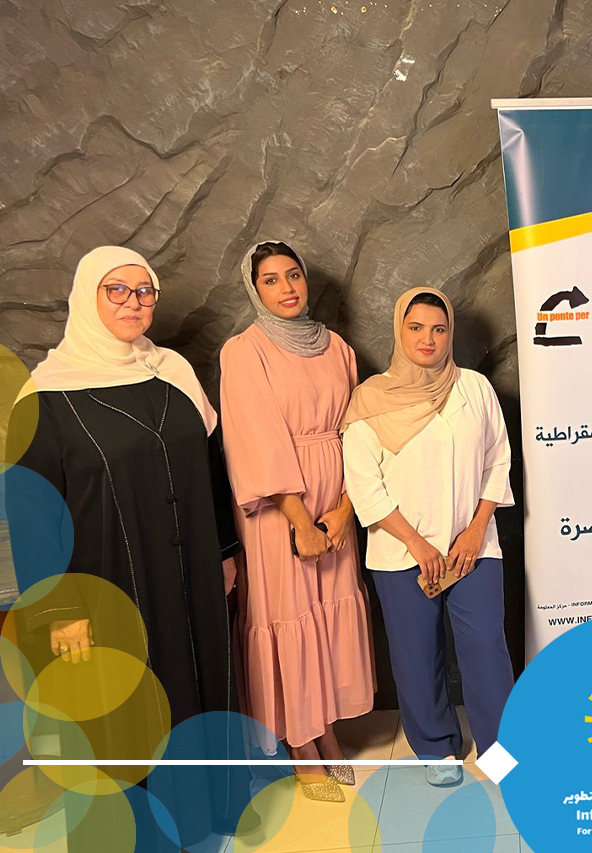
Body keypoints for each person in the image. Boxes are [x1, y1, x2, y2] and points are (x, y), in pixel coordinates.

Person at [9, 246, 248, 849]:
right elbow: (32, 512)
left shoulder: (173, 372)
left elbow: (212, 468)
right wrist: (59, 609)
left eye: (144, 291)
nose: (133, 303)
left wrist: (225, 552)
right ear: (86, 297)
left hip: (189, 569)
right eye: (116, 290)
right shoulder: (45, 396)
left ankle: (205, 813)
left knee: (197, 681)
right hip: (106, 581)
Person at [219, 240, 375, 802]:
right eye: (270, 279)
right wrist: (301, 521)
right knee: (287, 613)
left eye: (293, 275)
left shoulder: (338, 347)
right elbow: (254, 438)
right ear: (254, 288)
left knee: (327, 611)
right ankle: (300, 744)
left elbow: (359, 430)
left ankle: (325, 728)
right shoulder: (244, 351)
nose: (286, 288)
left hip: (336, 500)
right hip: (279, 507)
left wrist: (345, 509)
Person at [341, 286, 515, 786]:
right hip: (402, 552)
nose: (428, 339)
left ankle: (500, 748)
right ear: (399, 330)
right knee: (416, 654)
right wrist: (417, 545)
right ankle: (436, 747)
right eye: (416, 327)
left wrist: (475, 530)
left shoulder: (474, 388)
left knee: (486, 646)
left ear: (450, 334)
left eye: (439, 329)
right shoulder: (371, 399)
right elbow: (364, 483)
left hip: (471, 547)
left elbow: (497, 459)